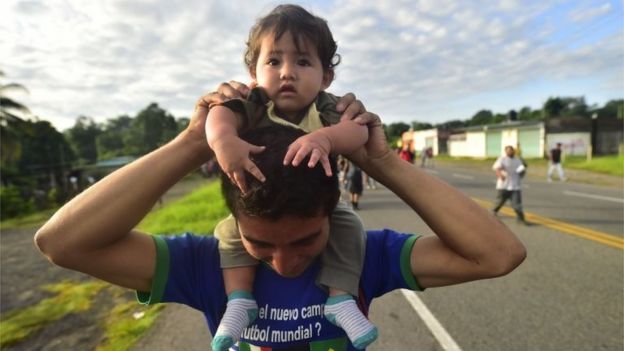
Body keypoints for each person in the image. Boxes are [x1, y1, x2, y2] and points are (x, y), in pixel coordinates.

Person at [203, 5, 375, 350]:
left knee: (349, 227)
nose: (287, 73)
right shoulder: (253, 103)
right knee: (229, 233)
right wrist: (224, 141)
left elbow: (358, 133)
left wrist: (326, 137)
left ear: (326, 76)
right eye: (274, 61)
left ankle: (341, 297)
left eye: (303, 62)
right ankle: (240, 300)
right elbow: (219, 114)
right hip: (258, 206)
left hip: (316, 207)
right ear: (253, 71)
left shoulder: (326, 108)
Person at [492, 145, 528, 225]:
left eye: (511, 151)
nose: (510, 152)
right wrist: (500, 175)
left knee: (517, 205)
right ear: (505, 152)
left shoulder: (517, 160)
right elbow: (497, 168)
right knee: (500, 202)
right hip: (503, 186)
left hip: (515, 186)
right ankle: (494, 211)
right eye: (508, 151)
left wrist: (522, 173)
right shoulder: (502, 159)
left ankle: (521, 219)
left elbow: (522, 170)